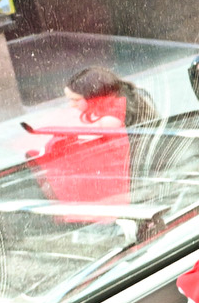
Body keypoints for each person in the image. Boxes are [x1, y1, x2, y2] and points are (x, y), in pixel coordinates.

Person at [25, 67, 160, 206]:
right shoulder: (117, 102)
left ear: (93, 96)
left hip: (125, 175)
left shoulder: (111, 119)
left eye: (76, 100)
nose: (72, 105)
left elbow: (97, 142)